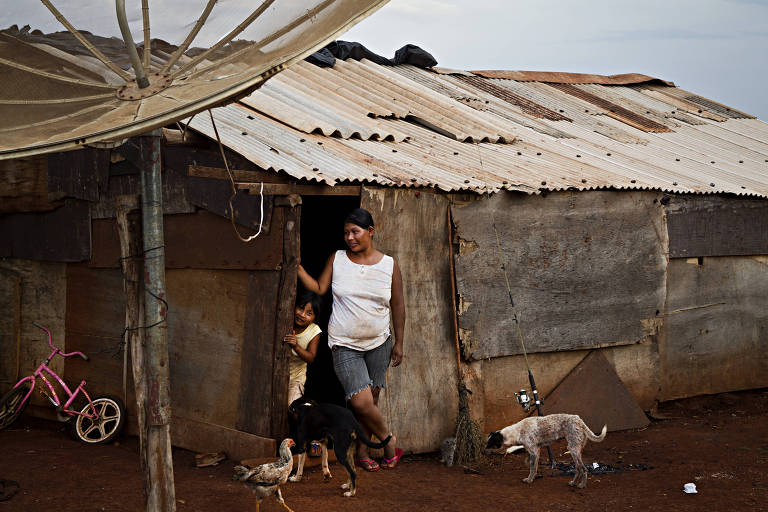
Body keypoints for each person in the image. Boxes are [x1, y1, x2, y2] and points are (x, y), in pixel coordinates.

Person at [297, 207, 405, 471]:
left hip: (379, 342)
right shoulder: (338, 259)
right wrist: (296, 266)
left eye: (355, 232)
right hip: (344, 344)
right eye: (346, 233)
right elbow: (320, 288)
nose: (349, 237)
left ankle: (364, 452)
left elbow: (398, 306)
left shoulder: (389, 265)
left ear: (371, 231)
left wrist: (399, 342)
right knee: (360, 401)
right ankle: (390, 443)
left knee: (372, 401)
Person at [283, 290, 323, 405]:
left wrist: (296, 346)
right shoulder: (285, 319)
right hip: (273, 373)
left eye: (309, 313)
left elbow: (311, 357)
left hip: (296, 378)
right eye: (300, 308)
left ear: (315, 317)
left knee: (293, 407)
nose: (302, 315)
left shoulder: (314, 331)